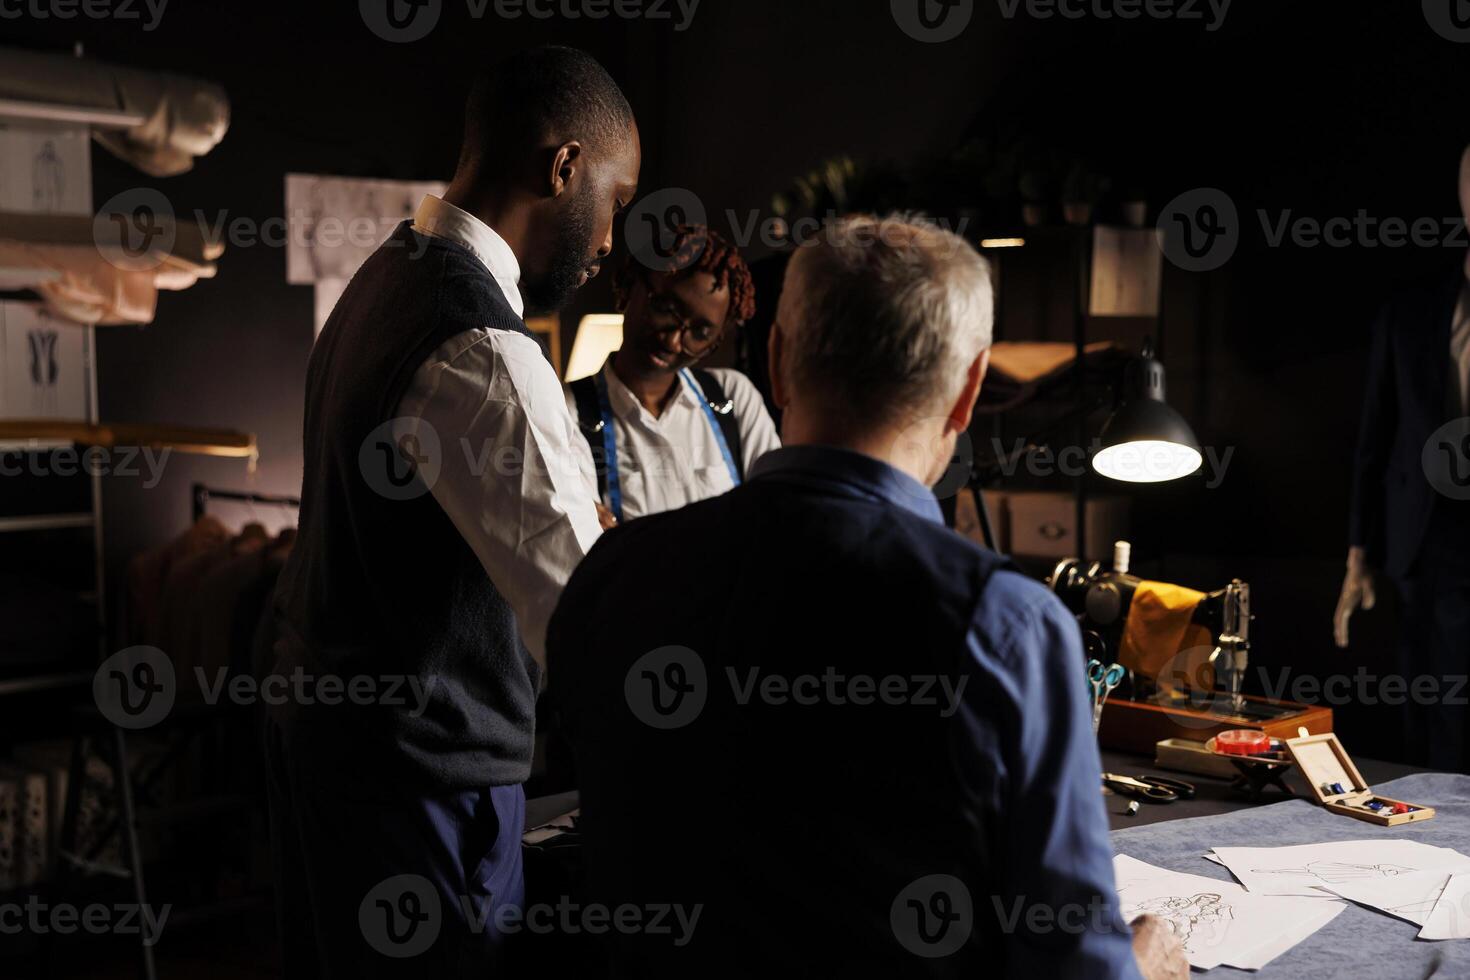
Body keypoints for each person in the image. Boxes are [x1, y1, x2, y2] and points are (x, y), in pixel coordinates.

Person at [547, 214, 1187, 979]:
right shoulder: (1009, 627)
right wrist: (1145, 964)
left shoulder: (612, 576)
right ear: (968, 393)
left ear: (777, 363)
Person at [264, 46, 638, 976]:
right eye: (617, 202)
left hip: (337, 771)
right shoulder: (487, 350)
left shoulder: (378, 284)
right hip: (426, 792)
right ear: (565, 168)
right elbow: (588, 628)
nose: (608, 243)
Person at [1338, 143, 1470, 772]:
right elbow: (1375, 438)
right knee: (1435, 710)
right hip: (1429, 534)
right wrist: (1358, 553)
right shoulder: (1413, 311)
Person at [565, 224, 780, 526]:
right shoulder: (569, 412)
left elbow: (775, 516)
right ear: (629, 287)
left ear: (715, 341)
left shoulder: (732, 398)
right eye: (666, 308)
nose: (674, 340)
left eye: (700, 332)